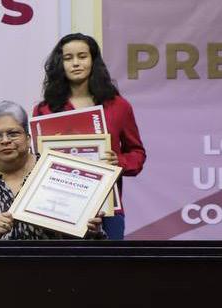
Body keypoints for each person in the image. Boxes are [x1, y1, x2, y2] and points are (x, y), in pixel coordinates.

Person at [33, 33, 146, 240]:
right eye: (68, 58)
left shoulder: (119, 106)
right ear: (60, 64)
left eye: (82, 56)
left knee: (109, 262)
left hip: (107, 208)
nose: (76, 63)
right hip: (59, 208)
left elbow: (137, 153)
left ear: (94, 61)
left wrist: (119, 161)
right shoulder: (45, 109)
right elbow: (35, 159)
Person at [0, 101, 104, 240]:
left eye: (13, 133)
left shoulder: (54, 171)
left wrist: (89, 229)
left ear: (28, 139)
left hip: (53, 263)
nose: (5, 141)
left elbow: (91, 237)